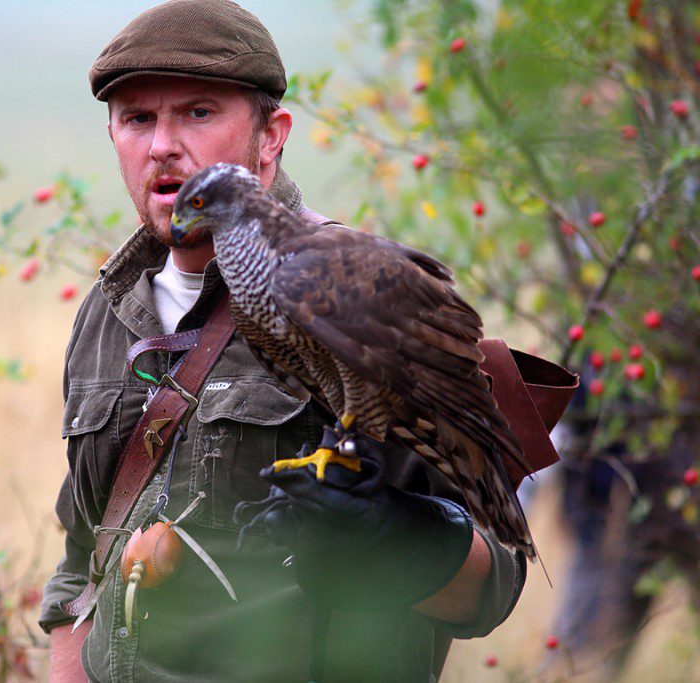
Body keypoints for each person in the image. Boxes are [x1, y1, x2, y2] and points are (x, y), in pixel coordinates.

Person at [39, 1, 527, 680]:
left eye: (199, 112)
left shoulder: (348, 280)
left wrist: (395, 538)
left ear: (271, 136)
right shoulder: (106, 313)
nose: (163, 145)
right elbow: (80, 555)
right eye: (138, 118)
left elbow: (492, 583)